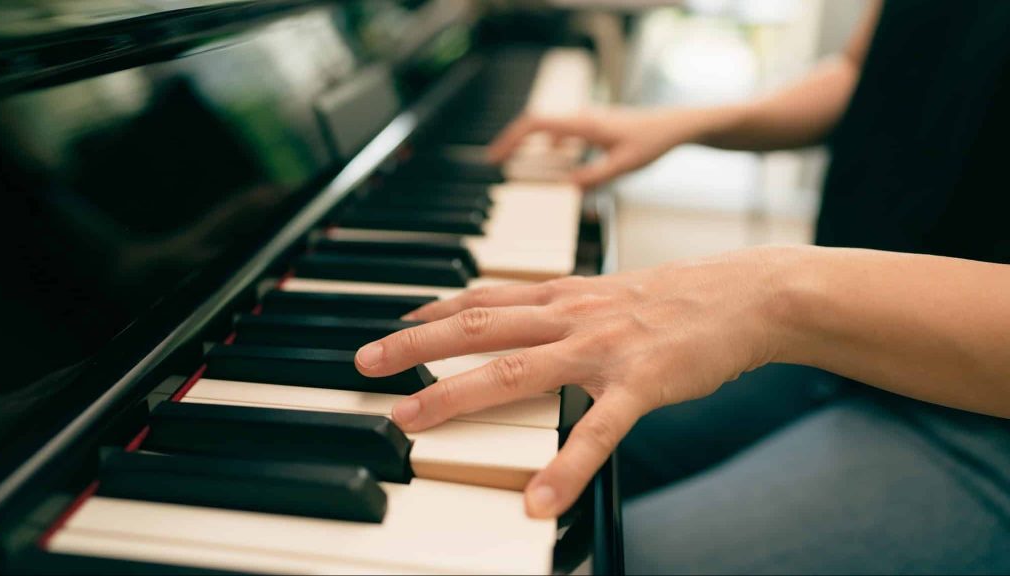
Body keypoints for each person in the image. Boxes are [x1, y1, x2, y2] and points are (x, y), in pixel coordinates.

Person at [355, 1, 1010, 572]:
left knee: (567, 556)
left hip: (985, 418)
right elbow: (868, 73)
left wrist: (775, 295)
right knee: (531, 424)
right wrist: (688, 122)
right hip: (846, 342)